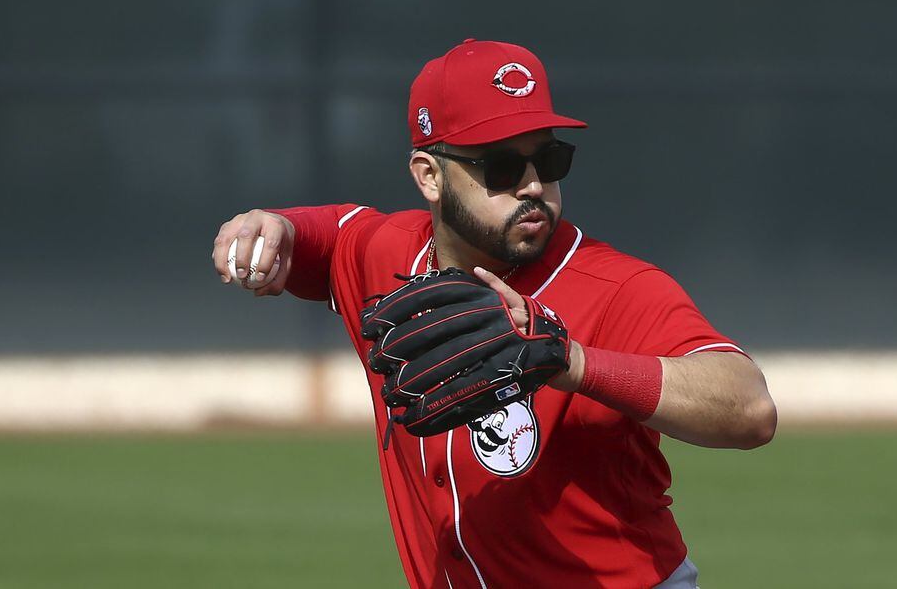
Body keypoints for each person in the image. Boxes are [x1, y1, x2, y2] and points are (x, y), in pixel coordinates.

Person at [212, 39, 776, 589]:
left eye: (549, 159)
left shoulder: (617, 286)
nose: (533, 185)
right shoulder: (386, 253)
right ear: (429, 176)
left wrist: (573, 362)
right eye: (502, 166)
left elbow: (749, 409)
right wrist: (268, 225)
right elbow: (330, 235)